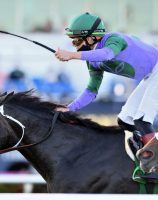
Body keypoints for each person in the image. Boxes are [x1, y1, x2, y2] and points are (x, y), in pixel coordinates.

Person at [54, 13, 158, 160]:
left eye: (76, 41)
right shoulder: (93, 60)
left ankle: (154, 161)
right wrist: (69, 108)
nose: (74, 45)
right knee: (125, 120)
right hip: (150, 76)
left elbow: (107, 54)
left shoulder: (114, 39)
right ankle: (146, 155)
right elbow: (91, 91)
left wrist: (72, 55)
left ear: (92, 37)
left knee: (141, 119)